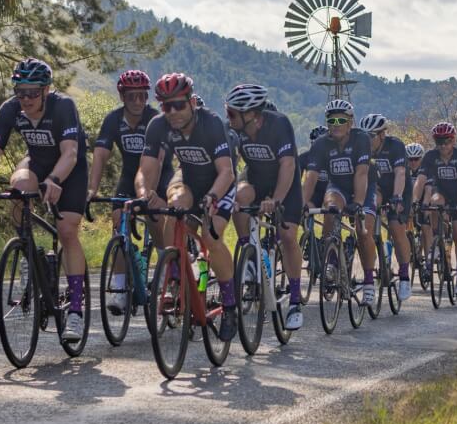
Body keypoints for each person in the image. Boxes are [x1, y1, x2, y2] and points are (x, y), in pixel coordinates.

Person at [0, 58, 89, 341]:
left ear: (46, 90)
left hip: (69, 170)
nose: (25, 98)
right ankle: (28, 254)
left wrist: (55, 179)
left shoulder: (63, 106)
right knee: (19, 187)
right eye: (20, 92)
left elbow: (70, 153)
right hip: (36, 162)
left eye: (33, 92)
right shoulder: (10, 109)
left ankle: (75, 310)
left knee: (67, 231)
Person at [137, 73, 238, 341]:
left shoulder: (211, 123)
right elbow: (145, 169)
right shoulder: (158, 126)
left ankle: (230, 305)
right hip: (190, 179)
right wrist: (144, 194)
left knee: (210, 237)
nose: (172, 112)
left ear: (192, 102)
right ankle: (174, 277)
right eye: (166, 106)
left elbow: (226, 171)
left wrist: (213, 197)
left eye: (178, 105)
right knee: (175, 206)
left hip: (220, 183)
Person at [87, 70, 172, 313]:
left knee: (155, 216)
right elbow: (100, 155)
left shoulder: (155, 119)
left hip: (159, 175)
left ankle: (165, 267)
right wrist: (92, 189)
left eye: (142, 96)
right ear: (122, 97)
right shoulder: (113, 120)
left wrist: (150, 192)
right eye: (132, 96)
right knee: (118, 223)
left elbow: (159, 158)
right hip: (128, 176)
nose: (137, 101)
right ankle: (119, 286)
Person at [225, 83, 306, 330]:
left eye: (232, 113)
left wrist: (277, 199)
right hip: (256, 179)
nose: (229, 117)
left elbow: (288, 165)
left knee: (287, 235)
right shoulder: (234, 129)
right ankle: (248, 256)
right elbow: (227, 164)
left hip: (285, 184)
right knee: (238, 198)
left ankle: (295, 300)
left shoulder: (279, 124)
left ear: (252, 115)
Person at [302, 99, 378, 306]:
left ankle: (369, 282)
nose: (336, 124)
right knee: (330, 210)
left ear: (350, 122)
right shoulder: (321, 144)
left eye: (341, 120)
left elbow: (361, 173)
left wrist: (358, 203)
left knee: (363, 231)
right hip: (338, 186)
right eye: (331, 120)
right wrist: (303, 202)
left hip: (364, 186)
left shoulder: (361, 139)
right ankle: (333, 260)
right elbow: (311, 176)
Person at [359, 113, 413, 301]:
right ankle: (369, 272)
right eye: (364, 136)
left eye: (371, 136)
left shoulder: (395, 146)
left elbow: (400, 173)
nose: (367, 140)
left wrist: (397, 197)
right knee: (366, 222)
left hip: (399, 188)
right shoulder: (363, 148)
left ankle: (404, 276)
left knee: (396, 228)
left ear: (382, 135)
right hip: (378, 188)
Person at [416, 122, 457, 296]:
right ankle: (436, 242)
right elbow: (421, 180)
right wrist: (415, 201)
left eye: (447, 141)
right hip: (440, 192)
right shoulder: (430, 156)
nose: (443, 145)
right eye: (439, 141)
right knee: (434, 204)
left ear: (453, 140)